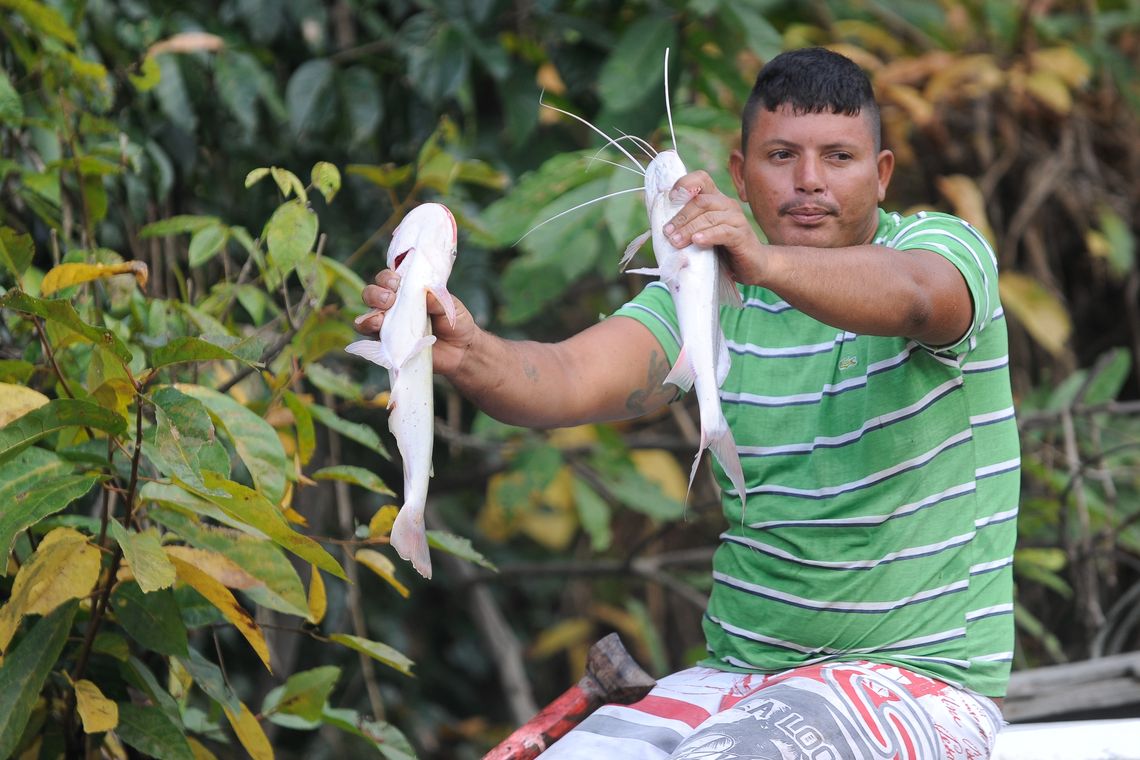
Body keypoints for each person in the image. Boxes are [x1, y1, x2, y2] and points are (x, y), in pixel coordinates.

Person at [356, 47, 1018, 759]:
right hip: (735, 677)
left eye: (839, 157)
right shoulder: (705, 290)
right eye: (781, 155)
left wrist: (764, 262)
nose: (809, 181)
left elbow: (921, 297)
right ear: (739, 174)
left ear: (881, 174)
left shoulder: (942, 248)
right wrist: (467, 351)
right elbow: (568, 375)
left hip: (918, 687)